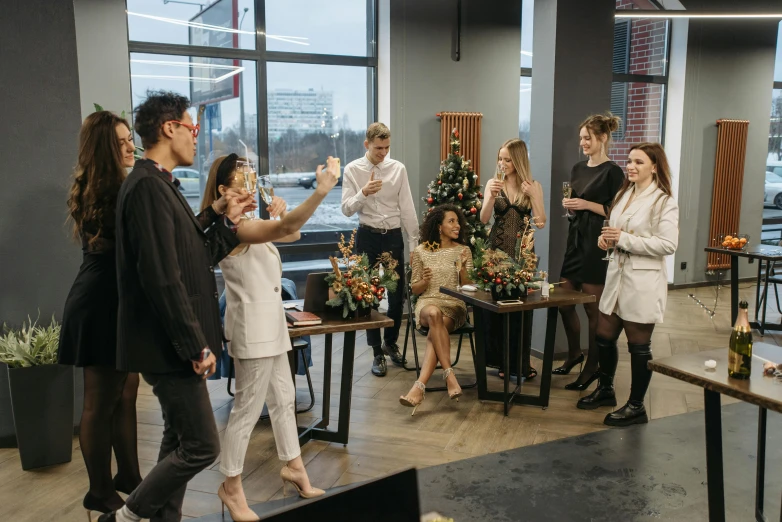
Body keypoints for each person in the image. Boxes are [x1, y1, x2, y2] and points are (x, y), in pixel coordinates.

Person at [101, 91, 253, 522]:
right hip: (169, 346)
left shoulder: (158, 183)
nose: (195, 136)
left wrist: (221, 217)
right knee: (203, 445)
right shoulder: (148, 186)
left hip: (170, 344)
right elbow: (162, 277)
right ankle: (125, 518)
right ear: (170, 129)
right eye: (193, 127)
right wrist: (194, 345)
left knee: (177, 439)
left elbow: (194, 256)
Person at [201, 154, 339, 521]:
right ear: (223, 190)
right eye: (243, 179)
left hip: (272, 327)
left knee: (284, 398)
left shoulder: (247, 222)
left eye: (252, 177)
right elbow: (284, 229)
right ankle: (230, 487)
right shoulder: (232, 231)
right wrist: (321, 191)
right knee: (247, 410)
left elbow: (289, 231)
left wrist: (280, 214)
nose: (251, 184)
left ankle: (294, 467)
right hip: (253, 330)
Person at [58, 111, 143, 517]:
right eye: (122, 141)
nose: (130, 146)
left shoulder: (118, 184)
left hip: (114, 301)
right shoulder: (107, 190)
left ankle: (129, 475)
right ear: (104, 148)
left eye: (130, 139)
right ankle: (98, 490)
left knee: (126, 392)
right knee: (100, 400)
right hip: (97, 305)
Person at [576, 142, 679, 427]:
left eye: (639, 162)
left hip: (642, 281)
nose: (631, 166)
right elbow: (614, 228)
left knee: (638, 345)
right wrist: (606, 240)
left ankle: (636, 406)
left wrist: (623, 239)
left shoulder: (663, 201)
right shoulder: (624, 194)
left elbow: (668, 244)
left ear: (655, 167)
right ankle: (606, 390)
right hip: (617, 275)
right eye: (630, 161)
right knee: (604, 334)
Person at [341, 122, 419, 377]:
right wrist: (363, 192)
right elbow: (346, 209)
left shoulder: (398, 169)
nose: (383, 153)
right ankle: (376, 351)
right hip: (367, 237)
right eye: (378, 148)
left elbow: (407, 206)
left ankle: (391, 342)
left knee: (396, 296)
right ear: (367, 144)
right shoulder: (353, 170)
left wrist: (414, 244)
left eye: (386, 147)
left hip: (393, 237)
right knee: (368, 295)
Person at [555, 114, 625, 391]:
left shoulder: (613, 172)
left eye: (588, 138)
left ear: (603, 138)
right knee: (563, 302)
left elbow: (616, 211)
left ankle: (593, 367)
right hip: (576, 240)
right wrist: (572, 207)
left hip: (597, 243)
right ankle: (574, 354)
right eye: (581, 138)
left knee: (593, 308)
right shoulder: (577, 168)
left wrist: (585, 204)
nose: (583, 142)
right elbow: (577, 206)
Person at [479, 139, 546, 381]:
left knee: (520, 311)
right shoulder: (492, 183)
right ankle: (499, 362)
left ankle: (520, 364)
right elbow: (484, 219)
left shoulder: (533, 185)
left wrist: (534, 197)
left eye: (508, 159)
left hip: (522, 256)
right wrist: (490, 197)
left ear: (518, 160)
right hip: (495, 253)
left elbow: (540, 222)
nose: (503, 163)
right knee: (495, 309)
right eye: (500, 158)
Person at [399, 204, 473, 415]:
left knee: (436, 322)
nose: (457, 225)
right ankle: (450, 375)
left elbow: (469, 287)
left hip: (454, 305)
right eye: (451, 221)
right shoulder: (422, 251)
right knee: (433, 313)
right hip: (428, 302)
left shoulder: (463, 250)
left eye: (458, 221)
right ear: (439, 226)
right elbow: (414, 289)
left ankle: (419, 387)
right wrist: (424, 280)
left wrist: (463, 270)